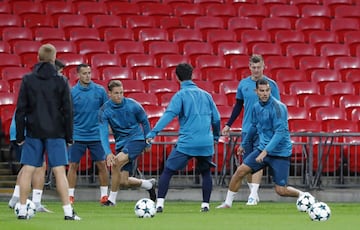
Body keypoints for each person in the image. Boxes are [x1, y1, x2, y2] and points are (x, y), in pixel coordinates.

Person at [217, 79, 308, 209]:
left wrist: (265, 152)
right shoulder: (256, 107)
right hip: (262, 148)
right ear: (256, 92)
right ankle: (227, 203)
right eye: (262, 91)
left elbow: (280, 133)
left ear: (270, 90)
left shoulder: (279, 107)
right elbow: (253, 126)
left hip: (280, 152)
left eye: (267, 90)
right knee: (240, 171)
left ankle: (303, 195)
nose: (265, 93)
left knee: (281, 190)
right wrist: (244, 144)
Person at [15, 44, 80, 220]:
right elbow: (68, 110)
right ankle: (68, 212)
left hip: (34, 131)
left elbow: (20, 110)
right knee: (59, 171)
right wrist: (69, 136)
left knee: (28, 169)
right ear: (53, 59)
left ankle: (21, 209)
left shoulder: (28, 80)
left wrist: (20, 136)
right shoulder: (61, 81)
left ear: (38, 57)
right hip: (56, 132)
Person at [146, 63, 221, 213]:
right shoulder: (207, 95)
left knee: (167, 171)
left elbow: (169, 115)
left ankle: (160, 204)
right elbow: (217, 119)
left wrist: (153, 132)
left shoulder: (180, 95)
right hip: (206, 142)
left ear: (177, 77)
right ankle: (205, 205)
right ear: (192, 75)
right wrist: (216, 136)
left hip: (187, 143)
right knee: (205, 173)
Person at [8, 59, 68, 213]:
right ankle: (22, 200)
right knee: (32, 166)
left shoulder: (34, 84)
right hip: (30, 130)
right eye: (60, 72)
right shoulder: (48, 86)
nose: (60, 75)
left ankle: (22, 200)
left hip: (28, 129)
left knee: (31, 166)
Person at [221, 54, 280, 205]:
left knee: (257, 159)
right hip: (248, 129)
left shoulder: (271, 85)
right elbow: (238, 105)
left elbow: (277, 107)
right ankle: (253, 193)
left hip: (264, 130)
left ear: (263, 66)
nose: (256, 70)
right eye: (253, 67)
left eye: (258, 67)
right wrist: (229, 124)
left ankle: (253, 195)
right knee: (248, 163)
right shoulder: (243, 84)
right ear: (249, 67)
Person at [99, 80, 156, 206]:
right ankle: (148, 184)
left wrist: (148, 142)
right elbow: (102, 133)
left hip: (136, 139)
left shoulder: (133, 105)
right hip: (121, 143)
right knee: (123, 181)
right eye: (116, 93)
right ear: (109, 93)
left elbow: (145, 122)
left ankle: (111, 200)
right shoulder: (104, 110)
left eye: (121, 93)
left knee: (116, 163)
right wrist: (108, 153)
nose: (119, 96)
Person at [67, 63, 109, 205]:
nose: (87, 76)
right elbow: (67, 114)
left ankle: (104, 196)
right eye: (84, 73)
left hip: (96, 135)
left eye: (89, 73)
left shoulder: (100, 91)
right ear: (77, 75)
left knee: (102, 165)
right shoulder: (72, 93)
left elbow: (107, 111)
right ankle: (70, 196)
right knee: (73, 165)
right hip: (77, 135)